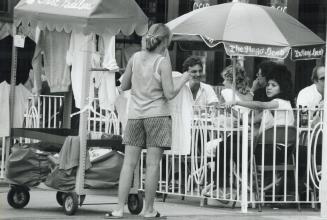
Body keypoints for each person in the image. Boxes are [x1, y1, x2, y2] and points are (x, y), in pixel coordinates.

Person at [105, 23, 191, 219]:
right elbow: (169, 93)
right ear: (166, 42)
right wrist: (184, 78)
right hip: (157, 116)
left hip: (135, 115)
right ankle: (149, 210)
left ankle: (118, 209)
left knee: (129, 164)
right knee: (152, 165)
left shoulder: (135, 58)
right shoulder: (162, 63)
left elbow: (125, 85)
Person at [226, 63, 295, 136]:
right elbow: (250, 121)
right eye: (268, 85)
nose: (269, 87)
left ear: (282, 88)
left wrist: (237, 102)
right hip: (269, 143)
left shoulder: (280, 102)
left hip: (274, 144)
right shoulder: (271, 107)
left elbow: (260, 105)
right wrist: (231, 111)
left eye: (273, 85)